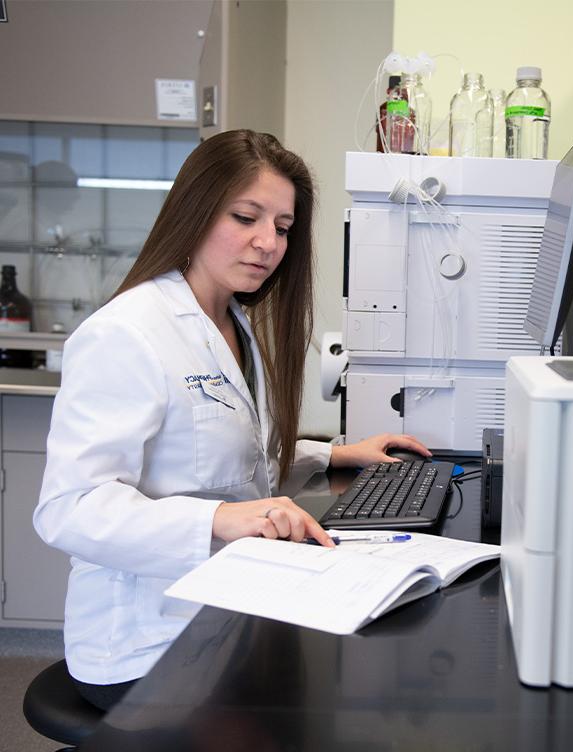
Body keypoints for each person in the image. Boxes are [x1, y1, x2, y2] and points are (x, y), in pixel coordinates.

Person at [33, 129, 430, 711]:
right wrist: (219, 521)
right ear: (194, 212)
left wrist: (335, 454)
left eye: (283, 228)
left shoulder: (231, 323)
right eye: (246, 217)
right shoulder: (127, 332)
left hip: (225, 612)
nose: (267, 242)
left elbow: (223, 450)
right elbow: (68, 510)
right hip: (146, 641)